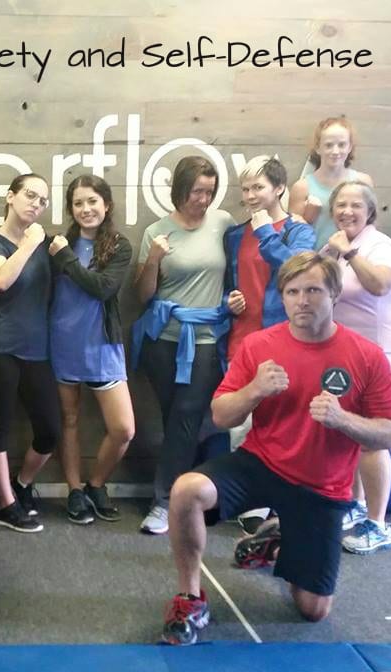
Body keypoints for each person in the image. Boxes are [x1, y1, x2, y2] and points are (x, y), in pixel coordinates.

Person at [161, 252, 391, 646]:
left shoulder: (366, 356)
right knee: (187, 489)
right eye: (292, 291)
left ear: (334, 294)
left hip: (321, 488)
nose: (302, 300)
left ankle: (277, 540)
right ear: (283, 297)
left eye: (313, 290)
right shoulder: (259, 345)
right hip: (260, 464)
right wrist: (254, 390)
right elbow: (221, 416)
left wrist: (344, 420)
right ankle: (190, 597)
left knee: (312, 610)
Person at [131, 156, 237, 535]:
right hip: (163, 340)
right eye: (197, 191)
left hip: (205, 338)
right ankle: (192, 493)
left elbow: (241, 266)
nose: (203, 200)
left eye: (209, 192)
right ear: (180, 190)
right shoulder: (157, 231)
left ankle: (164, 503)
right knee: (175, 418)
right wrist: (155, 258)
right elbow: (143, 294)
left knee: (187, 415)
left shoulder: (222, 223)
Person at [223, 156, 316, 533]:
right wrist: (227, 303)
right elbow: (231, 281)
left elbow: (298, 268)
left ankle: (283, 505)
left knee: (285, 426)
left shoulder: (300, 231)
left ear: (279, 188)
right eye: (245, 189)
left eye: (258, 187)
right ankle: (251, 506)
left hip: (286, 343)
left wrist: (265, 232)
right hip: (242, 342)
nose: (250, 196)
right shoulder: (234, 235)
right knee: (241, 427)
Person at [322, 181, 391, 554]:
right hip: (347, 357)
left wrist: (350, 253)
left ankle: (378, 524)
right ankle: (356, 507)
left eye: (356, 205)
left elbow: (379, 284)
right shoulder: (334, 246)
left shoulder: (378, 245)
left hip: (382, 357)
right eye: (341, 204)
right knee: (348, 434)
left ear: (369, 211)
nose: (347, 211)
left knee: (373, 440)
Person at [0, 173, 61, 533]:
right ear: (10, 197)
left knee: (50, 430)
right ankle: (6, 505)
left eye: (42, 200)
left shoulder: (46, 244)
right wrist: (28, 244)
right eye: (30, 195)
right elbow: (2, 279)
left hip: (37, 351)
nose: (36, 204)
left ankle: (22, 484)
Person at [47, 175, 135, 525]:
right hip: (62, 342)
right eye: (78, 203)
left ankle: (96, 483)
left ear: (107, 204)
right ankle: (75, 490)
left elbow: (103, 288)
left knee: (123, 429)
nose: (86, 209)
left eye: (92, 201)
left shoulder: (117, 245)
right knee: (68, 420)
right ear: (70, 208)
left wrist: (66, 259)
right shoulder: (56, 243)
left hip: (101, 346)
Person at [288, 116, 373, 251]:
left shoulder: (363, 182)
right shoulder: (302, 188)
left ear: (350, 146)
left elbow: (370, 227)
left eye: (341, 145)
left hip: (352, 262)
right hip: (315, 265)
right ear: (318, 147)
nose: (335, 151)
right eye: (328, 145)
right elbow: (292, 236)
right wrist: (307, 218)